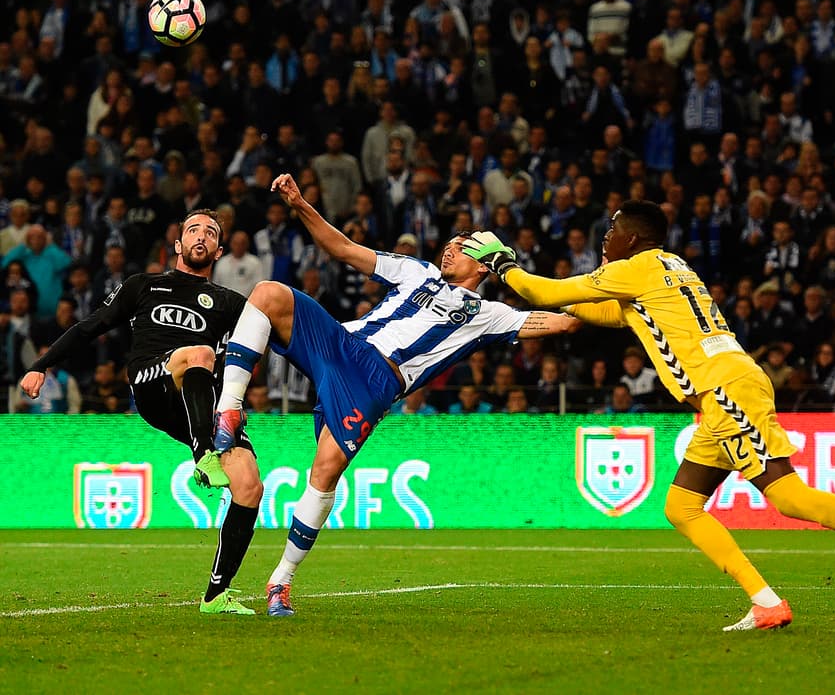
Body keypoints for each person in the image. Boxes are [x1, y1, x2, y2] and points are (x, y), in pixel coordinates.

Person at [463, 200, 835, 631]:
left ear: (633, 238)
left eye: (612, 231)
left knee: (788, 496)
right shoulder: (670, 267)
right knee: (681, 507)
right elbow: (612, 314)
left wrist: (501, 261)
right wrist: (570, 313)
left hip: (725, 389)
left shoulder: (638, 267)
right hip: (725, 390)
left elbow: (542, 291)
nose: (606, 238)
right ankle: (766, 603)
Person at [213, 174, 581, 617]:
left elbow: (561, 322)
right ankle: (228, 411)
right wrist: (299, 203)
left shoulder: (488, 315)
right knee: (268, 292)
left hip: (375, 382)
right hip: (342, 344)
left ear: (484, 265)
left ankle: (281, 581)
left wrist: (604, 299)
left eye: (462, 247)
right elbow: (344, 249)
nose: (449, 249)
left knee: (325, 472)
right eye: (450, 243)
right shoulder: (417, 271)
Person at [19, 209, 261, 615]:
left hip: (201, 403)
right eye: (193, 230)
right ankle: (204, 454)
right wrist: (41, 364)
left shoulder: (229, 303)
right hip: (153, 383)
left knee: (250, 484)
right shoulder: (144, 285)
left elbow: (266, 346)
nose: (201, 236)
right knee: (199, 353)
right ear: (178, 244)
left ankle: (216, 595)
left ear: (219, 250)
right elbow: (90, 326)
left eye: (210, 233)